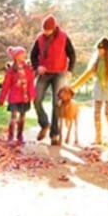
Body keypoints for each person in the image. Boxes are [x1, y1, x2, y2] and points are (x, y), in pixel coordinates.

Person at [30, 14, 76, 145]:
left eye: (48, 30)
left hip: (60, 73)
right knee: (36, 98)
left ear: (54, 28)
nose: (45, 32)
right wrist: (37, 66)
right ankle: (44, 123)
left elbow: (72, 54)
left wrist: (70, 71)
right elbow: (33, 55)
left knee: (57, 103)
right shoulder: (39, 38)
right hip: (44, 73)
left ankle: (55, 134)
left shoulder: (64, 37)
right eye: (44, 29)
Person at [71, 37, 108, 144]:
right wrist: (74, 86)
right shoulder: (96, 61)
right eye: (98, 49)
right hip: (99, 88)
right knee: (96, 113)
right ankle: (98, 137)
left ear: (107, 50)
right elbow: (87, 75)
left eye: (102, 49)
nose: (99, 51)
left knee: (107, 113)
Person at [0, 46, 35, 145]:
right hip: (14, 98)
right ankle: (10, 137)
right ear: (16, 56)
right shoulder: (11, 71)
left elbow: (31, 83)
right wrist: (1, 98)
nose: (24, 56)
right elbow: (6, 85)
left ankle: (20, 136)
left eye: (24, 54)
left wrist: (32, 95)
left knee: (22, 117)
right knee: (13, 117)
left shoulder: (28, 69)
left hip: (25, 98)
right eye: (21, 54)